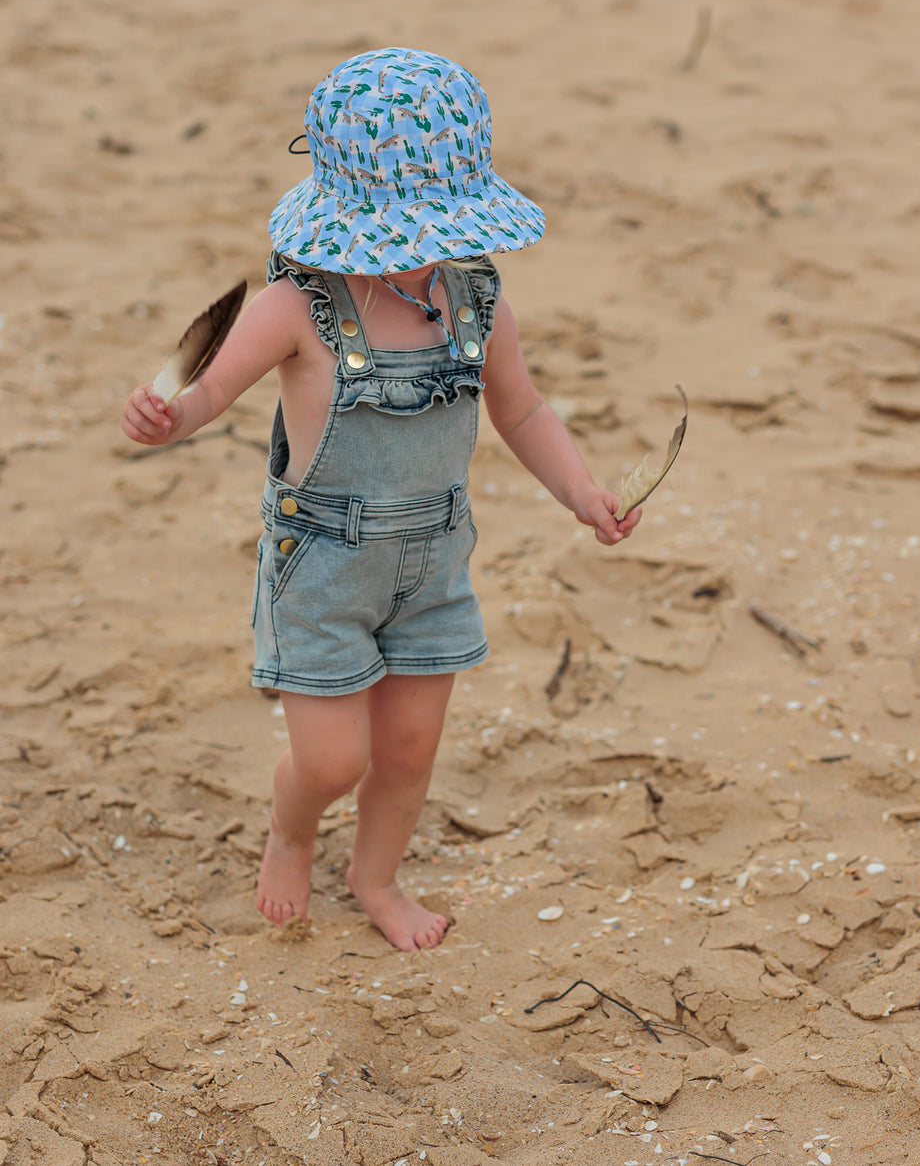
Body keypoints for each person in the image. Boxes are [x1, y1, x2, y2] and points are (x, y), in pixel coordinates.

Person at [121, 47, 643, 952]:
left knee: (406, 753)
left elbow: (520, 409)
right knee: (332, 758)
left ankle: (376, 877)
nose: (425, 247)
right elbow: (209, 391)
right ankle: (292, 831)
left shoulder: (477, 299)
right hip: (323, 565)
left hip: (432, 562)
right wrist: (171, 417)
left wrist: (581, 491)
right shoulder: (297, 306)